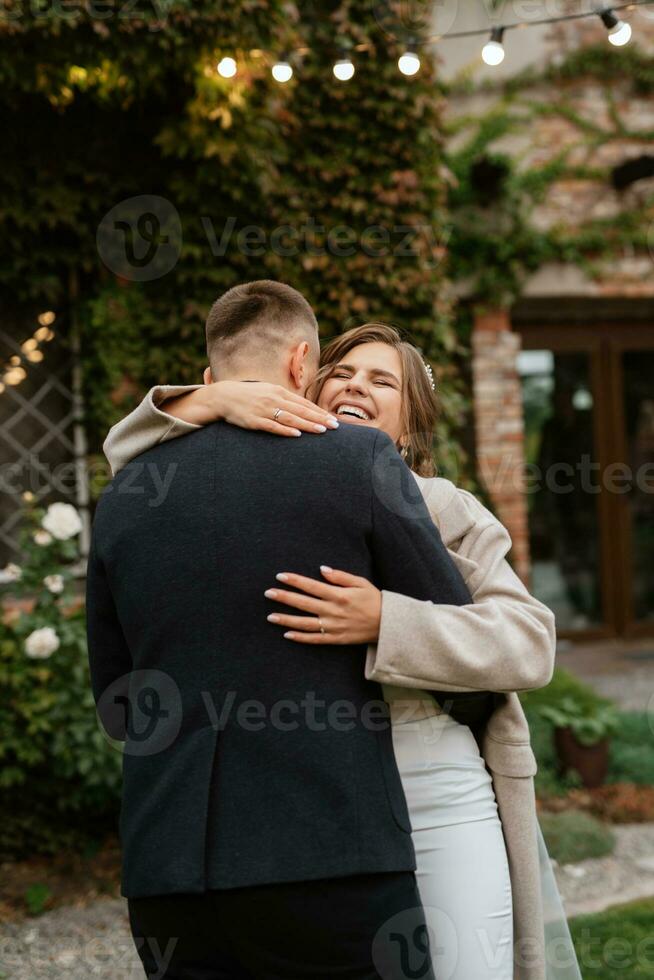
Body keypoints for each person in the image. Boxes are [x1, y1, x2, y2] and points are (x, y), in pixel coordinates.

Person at [105, 297, 583, 980]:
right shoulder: (268, 486)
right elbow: (128, 456)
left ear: (412, 424)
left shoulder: (448, 508)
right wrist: (209, 405)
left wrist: (387, 621)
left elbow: (528, 641)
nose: (357, 385)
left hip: (432, 783)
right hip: (318, 799)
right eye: (343, 373)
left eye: (382, 381)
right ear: (303, 382)